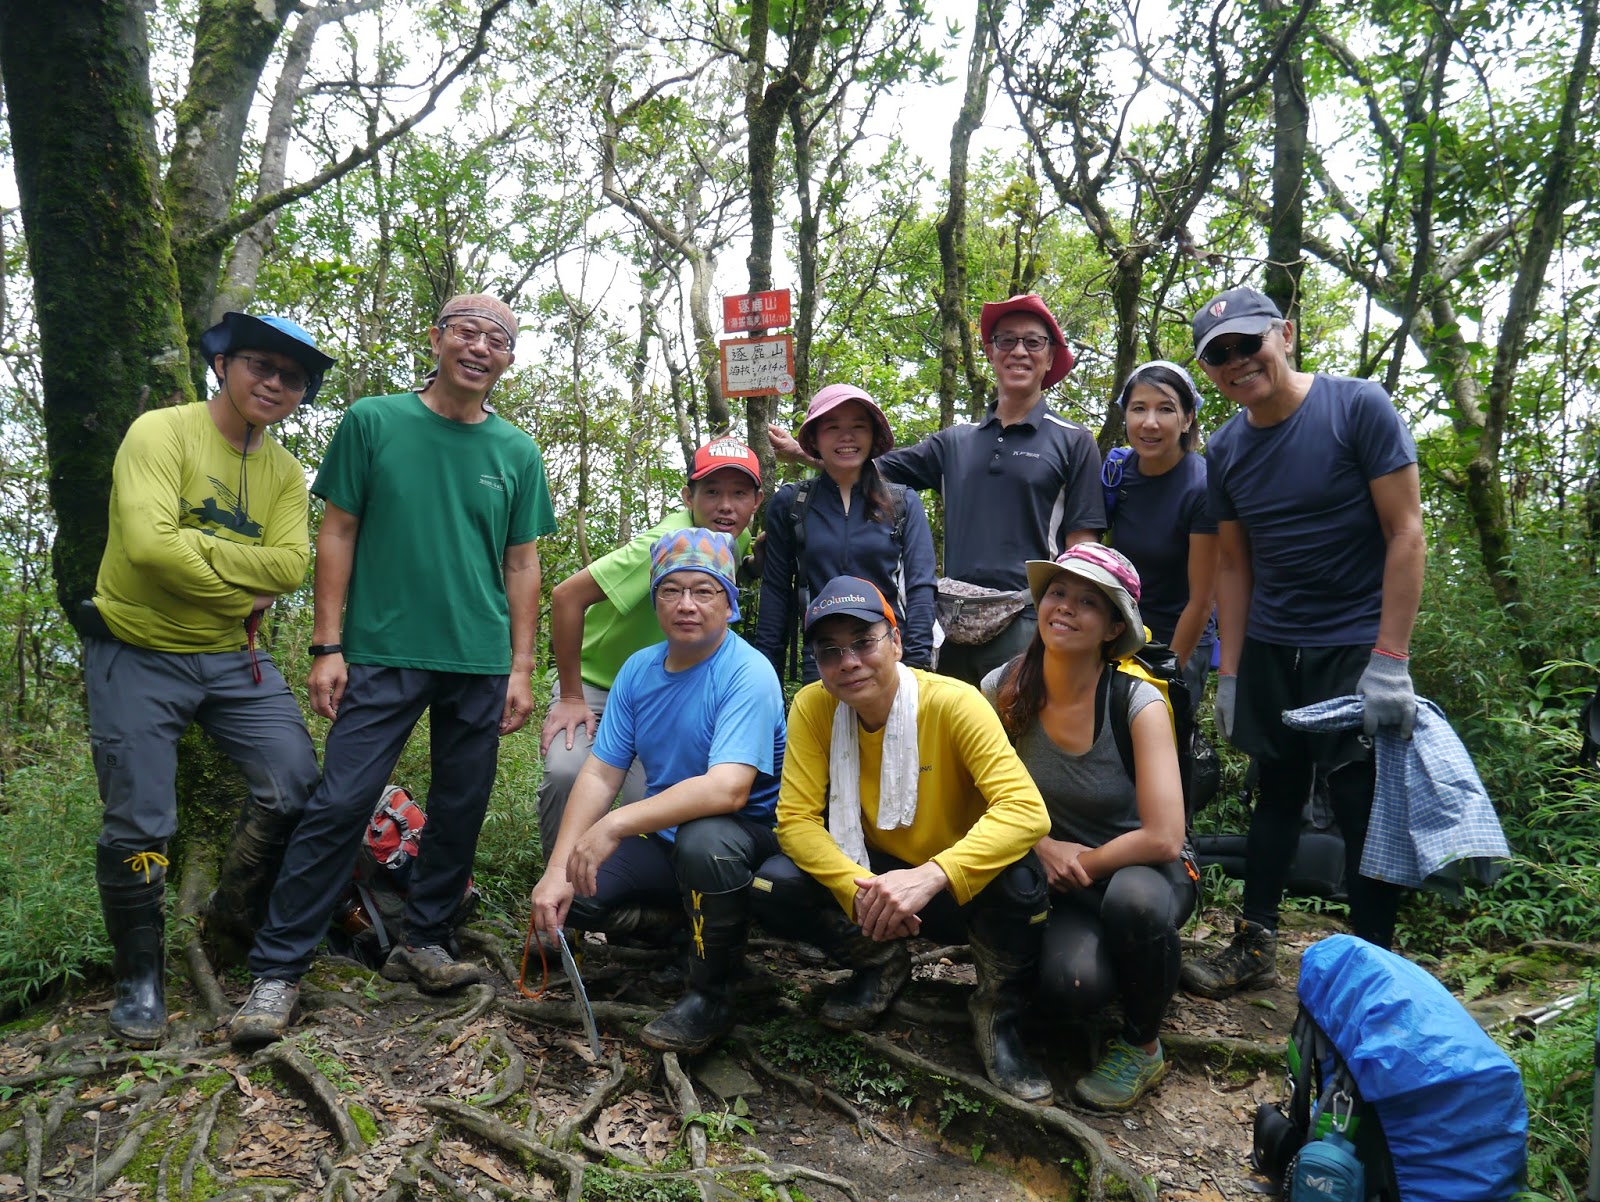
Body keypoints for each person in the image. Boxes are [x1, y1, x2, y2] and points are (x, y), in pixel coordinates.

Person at [231, 293, 557, 1045]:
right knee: (340, 803)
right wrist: (327, 644)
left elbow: (522, 562)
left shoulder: (516, 451)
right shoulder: (374, 422)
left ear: (508, 360)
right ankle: (277, 969)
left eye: (498, 339)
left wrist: (520, 665)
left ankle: (426, 942)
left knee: (460, 804)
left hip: (477, 658)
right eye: (467, 333)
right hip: (379, 650)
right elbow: (337, 531)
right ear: (437, 338)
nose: (480, 348)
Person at [83, 312, 334, 1047]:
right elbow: (148, 547)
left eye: (292, 377)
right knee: (140, 822)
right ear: (223, 364)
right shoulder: (160, 434)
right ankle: (140, 975)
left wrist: (195, 548)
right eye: (261, 365)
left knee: (294, 783)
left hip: (233, 661)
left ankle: (231, 909)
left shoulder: (286, 472)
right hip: (136, 650)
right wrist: (235, 585)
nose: (275, 383)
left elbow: (288, 567)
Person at [1178, 286, 1424, 1000]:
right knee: (1276, 796)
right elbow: (1233, 562)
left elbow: (1405, 531)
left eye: (1247, 344)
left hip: (1354, 643)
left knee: (1359, 804)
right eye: (1218, 355)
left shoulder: (1357, 407)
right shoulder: (1225, 451)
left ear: (1283, 334)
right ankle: (1254, 944)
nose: (1236, 362)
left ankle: (1376, 969)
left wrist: (1391, 659)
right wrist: (1232, 670)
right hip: (1273, 645)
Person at [751, 577, 1055, 1104]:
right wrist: (861, 888)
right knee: (771, 884)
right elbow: (795, 821)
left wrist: (930, 876)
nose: (848, 662)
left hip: (957, 887)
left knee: (1022, 882)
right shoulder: (813, 707)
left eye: (863, 642)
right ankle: (880, 963)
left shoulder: (953, 703)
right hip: (878, 877)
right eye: (830, 651)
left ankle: (997, 1017)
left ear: (895, 640)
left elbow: (1027, 812)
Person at [529, 529, 786, 1055]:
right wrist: (557, 871)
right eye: (671, 591)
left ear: (730, 601)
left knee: (704, 840)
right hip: (667, 841)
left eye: (704, 591)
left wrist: (616, 825)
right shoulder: (638, 670)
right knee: (574, 899)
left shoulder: (747, 672)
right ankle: (682, 926)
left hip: (744, 840)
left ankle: (712, 993)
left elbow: (728, 789)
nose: (686, 605)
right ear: (655, 601)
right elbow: (601, 774)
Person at [769, 295, 1104, 686]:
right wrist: (807, 452)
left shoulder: (1074, 441)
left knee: (1023, 743)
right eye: (1006, 340)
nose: (1018, 352)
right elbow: (866, 465)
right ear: (990, 352)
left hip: (1029, 624)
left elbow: (1084, 552)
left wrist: (1072, 633)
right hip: (956, 627)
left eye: (1033, 342)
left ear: (1050, 358)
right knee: (956, 745)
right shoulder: (955, 443)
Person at [983, 545, 1193, 1111]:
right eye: (1057, 593)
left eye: (1088, 601)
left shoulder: (1136, 702)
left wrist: (1081, 863)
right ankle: (1132, 974)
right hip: (1057, 877)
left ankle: (1143, 1044)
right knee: (1073, 987)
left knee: (1136, 905)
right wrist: (1043, 847)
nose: (1066, 608)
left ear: (1112, 627)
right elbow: (979, 797)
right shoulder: (1000, 688)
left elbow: (1164, 835)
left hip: (1140, 869)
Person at [538, 437, 763, 858]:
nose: (725, 506)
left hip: (664, 689)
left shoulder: (734, 536)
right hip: (597, 683)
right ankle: (562, 890)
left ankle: (624, 904)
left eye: (738, 493)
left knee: (650, 802)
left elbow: (728, 579)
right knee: (569, 774)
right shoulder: (665, 542)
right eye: (712, 492)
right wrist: (570, 696)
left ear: (756, 501)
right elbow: (567, 596)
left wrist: (754, 566)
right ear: (688, 497)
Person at [754, 383, 936, 681]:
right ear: (814, 438)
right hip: (822, 660)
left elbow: (921, 586)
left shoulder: (903, 502)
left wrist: (917, 664)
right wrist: (765, 673)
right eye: (833, 426)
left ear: (873, 435)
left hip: (889, 659)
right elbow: (775, 590)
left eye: (859, 426)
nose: (847, 436)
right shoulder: (792, 504)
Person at [1103, 361, 1218, 701]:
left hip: (1178, 643)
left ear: (1187, 419)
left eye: (1165, 409)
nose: (1149, 422)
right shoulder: (1116, 472)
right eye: (1139, 408)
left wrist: (1167, 671)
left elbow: (1202, 601)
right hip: (1119, 639)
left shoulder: (1203, 488)